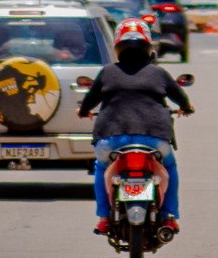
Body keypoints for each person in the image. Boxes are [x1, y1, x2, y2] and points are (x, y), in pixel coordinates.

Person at [77, 19, 193, 234]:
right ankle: (169, 216)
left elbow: (89, 101)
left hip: (112, 139)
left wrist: (83, 111)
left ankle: (104, 217)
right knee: (169, 167)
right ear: (148, 46)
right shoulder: (159, 73)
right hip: (154, 139)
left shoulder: (107, 72)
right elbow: (180, 97)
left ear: (118, 47)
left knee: (101, 168)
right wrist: (187, 107)